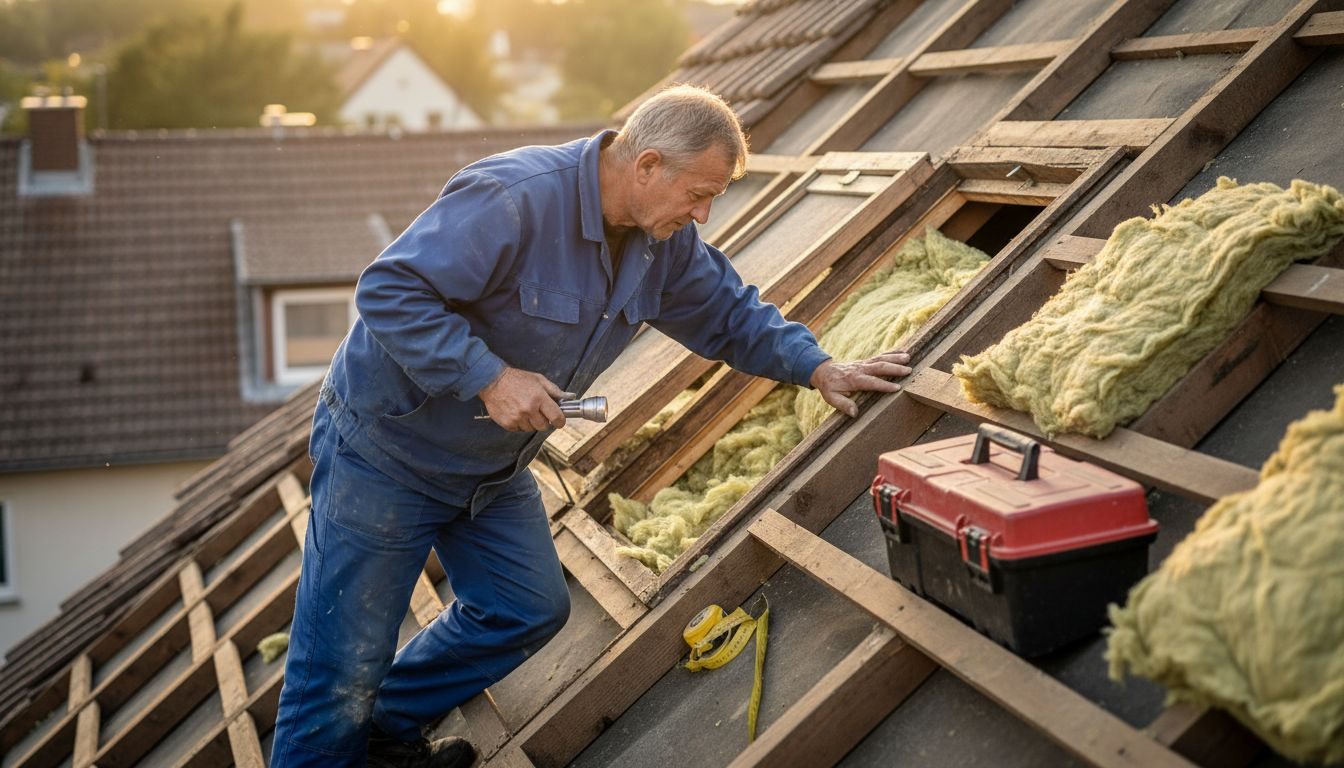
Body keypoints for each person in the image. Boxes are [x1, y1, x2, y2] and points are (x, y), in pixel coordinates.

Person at [270, 84, 912, 768]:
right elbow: (389, 291)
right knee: (340, 670)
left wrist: (818, 368)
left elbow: (730, 316)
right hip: (387, 455)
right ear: (647, 166)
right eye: (700, 192)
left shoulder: (663, 243)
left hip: (489, 470)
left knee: (525, 607)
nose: (703, 212)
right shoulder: (514, 197)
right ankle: (336, 740)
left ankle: (381, 735)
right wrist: (488, 377)